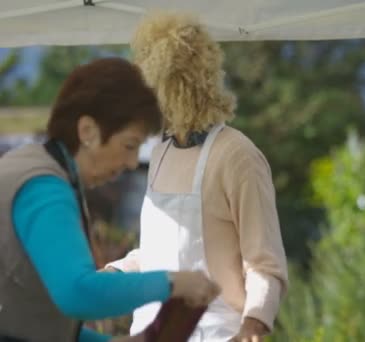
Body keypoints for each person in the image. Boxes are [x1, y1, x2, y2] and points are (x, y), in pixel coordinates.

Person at [0, 58, 219, 342]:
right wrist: (173, 282)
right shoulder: (43, 187)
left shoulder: (31, 168)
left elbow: (30, 318)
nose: (131, 163)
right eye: (129, 145)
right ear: (88, 131)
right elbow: (77, 293)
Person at [105, 12, 289, 342]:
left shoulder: (238, 156)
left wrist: (254, 324)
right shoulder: (161, 152)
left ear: (176, 91)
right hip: (149, 332)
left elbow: (265, 264)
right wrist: (113, 273)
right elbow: (159, 254)